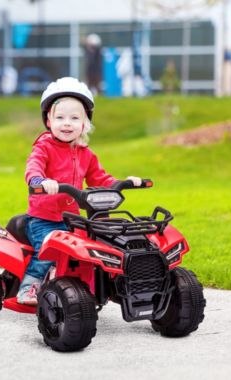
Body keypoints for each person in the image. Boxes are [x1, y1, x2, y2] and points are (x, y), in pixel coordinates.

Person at [17, 77, 141, 305]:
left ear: (84, 124)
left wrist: (124, 182)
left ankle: (85, 289)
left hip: (71, 218)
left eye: (75, 118)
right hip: (43, 219)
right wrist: (39, 180)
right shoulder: (43, 147)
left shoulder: (85, 153)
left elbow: (100, 178)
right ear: (48, 120)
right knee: (47, 252)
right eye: (60, 117)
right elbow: (33, 166)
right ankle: (28, 289)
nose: (67, 123)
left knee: (90, 252)